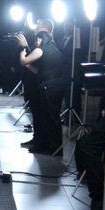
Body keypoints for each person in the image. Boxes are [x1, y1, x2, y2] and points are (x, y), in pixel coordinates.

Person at [16, 18, 66, 154]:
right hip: (55, 85)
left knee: (51, 118)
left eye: (38, 37)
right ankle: (49, 145)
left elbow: (23, 61)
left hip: (49, 86)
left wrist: (23, 48)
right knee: (50, 117)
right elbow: (39, 70)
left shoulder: (41, 50)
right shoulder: (54, 48)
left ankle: (55, 147)